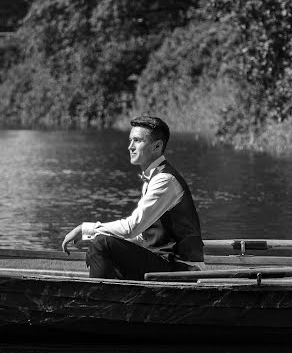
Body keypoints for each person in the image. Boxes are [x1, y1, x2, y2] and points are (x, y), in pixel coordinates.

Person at [60, 115, 205, 280]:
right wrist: (95, 236)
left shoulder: (165, 180)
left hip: (181, 269)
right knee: (101, 243)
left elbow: (131, 228)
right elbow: (142, 236)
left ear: (157, 146)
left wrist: (85, 229)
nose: (130, 147)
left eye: (137, 141)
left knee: (102, 244)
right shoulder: (153, 177)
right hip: (165, 262)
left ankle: (97, 299)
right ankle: (107, 297)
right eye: (130, 140)